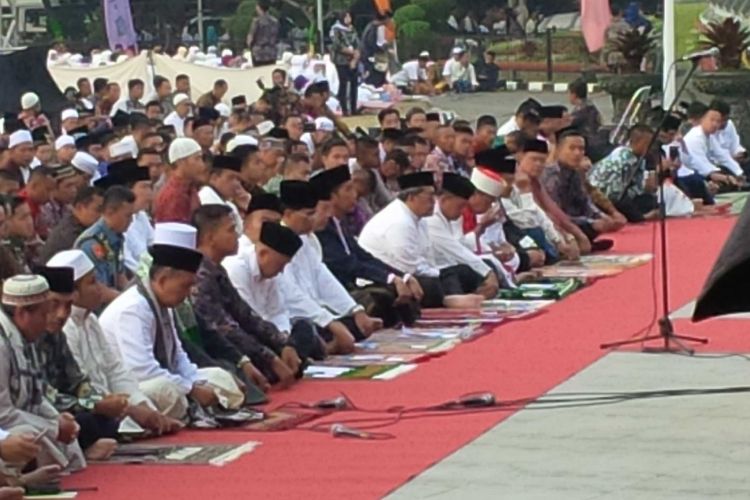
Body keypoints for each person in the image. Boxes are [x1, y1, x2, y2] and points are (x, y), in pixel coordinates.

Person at [99, 223, 244, 420]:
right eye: (184, 286)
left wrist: (197, 383)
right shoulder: (132, 309)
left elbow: (178, 357)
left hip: (166, 379)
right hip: (134, 387)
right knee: (165, 390)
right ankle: (195, 409)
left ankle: (197, 408)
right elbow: (142, 371)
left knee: (219, 376)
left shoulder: (162, 304)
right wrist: (191, 389)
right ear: (163, 279)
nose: (187, 294)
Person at [48, 250, 182, 435]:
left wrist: (140, 406)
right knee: (87, 422)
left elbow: (113, 370)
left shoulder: (91, 321)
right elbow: (71, 391)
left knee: (162, 393)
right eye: (93, 282)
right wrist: (121, 408)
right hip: (88, 407)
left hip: (109, 401)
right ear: (75, 293)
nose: (100, 288)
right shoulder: (65, 327)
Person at [191, 205, 309, 389]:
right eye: (231, 230)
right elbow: (225, 328)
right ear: (210, 238)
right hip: (213, 350)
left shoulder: (216, 269)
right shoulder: (200, 274)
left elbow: (246, 315)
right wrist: (269, 357)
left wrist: (284, 343)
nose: (238, 235)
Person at [278, 179, 382, 353]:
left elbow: (323, 278)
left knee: (355, 323)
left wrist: (356, 310)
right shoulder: (278, 244)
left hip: (318, 313)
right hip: (293, 318)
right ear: (288, 214)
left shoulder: (306, 239)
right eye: (308, 214)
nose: (313, 219)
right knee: (307, 333)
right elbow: (292, 296)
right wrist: (329, 322)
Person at [359, 172, 485, 309]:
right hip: (385, 279)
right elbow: (409, 266)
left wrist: (442, 272)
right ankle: (452, 303)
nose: (434, 202)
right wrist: (439, 274)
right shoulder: (399, 221)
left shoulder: (420, 219)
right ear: (411, 197)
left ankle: (459, 300)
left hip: (410, 273)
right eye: (429, 196)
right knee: (432, 283)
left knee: (462, 271)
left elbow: (427, 259)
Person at [317, 166, 421, 326]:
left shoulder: (339, 224)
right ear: (332, 197)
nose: (355, 194)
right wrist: (390, 279)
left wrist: (402, 276)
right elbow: (349, 264)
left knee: (405, 291)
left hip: (350, 289)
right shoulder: (322, 229)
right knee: (383, 298)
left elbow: (364, 256)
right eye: (348, 189)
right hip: (335, 294)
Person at [0, 275, 85, 470]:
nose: (51, 318)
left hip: (22, 418)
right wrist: (55, 428)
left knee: (68, 430)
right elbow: (3, 416)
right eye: (44, 313)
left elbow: (37, 394)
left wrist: (58, 420)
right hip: (6, 429)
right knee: (26, 435)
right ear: (22, 314)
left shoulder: (24, 337)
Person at [35, 266, 119, 461]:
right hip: (40, 412)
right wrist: (94, 405)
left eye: (68, 306)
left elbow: (77, 381)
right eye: (54, 304)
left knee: (106, 421)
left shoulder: (57, 337)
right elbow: (42, 394)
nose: (61, 314)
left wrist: (99, 402)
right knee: (83, 421)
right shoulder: (24, 338)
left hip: (66, 410)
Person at [543, 128, 624, 245]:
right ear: (559, 150)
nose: (577, 153)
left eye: (581, 149)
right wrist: (591, 222)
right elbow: (556, 214)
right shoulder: (551, 177)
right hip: (557, 223)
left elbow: (586, 201)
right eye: (572, 148)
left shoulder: (576, 173)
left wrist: (603, 216)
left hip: (576, 219)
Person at [426, 172, 500, 299]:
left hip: (450, 264)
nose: (462, 211)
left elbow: (461, 244)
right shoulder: (431, 218)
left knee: (484, 265)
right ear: (445, 200)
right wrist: (487, 272)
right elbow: (455, 250)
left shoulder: (454, 216)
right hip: (430, 270)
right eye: (460, 206)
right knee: (451, 277)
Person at [589, 124, 662, 220]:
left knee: (650, 201)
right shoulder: (625, 158)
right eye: (647, 144)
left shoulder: (638, 158)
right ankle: (642, 217)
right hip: (605, 195)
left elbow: (640, 187)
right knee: (626, 203)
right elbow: (617, 193)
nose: (650, 147)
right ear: (635, 142)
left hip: (623, 193)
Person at [74, 185, 134, 302]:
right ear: (110, 212)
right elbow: (100, 290)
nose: (131, 221)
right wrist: (128, 301)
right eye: (127, 216)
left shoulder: (116, 237)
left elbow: (120, 277)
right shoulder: (92, 243)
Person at [39, 187, 103, 265]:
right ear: (79, 207)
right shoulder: (68, 234)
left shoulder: (85, 227)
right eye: (98, 210)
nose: (102, 216)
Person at [154, 138, 207, 223]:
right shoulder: (173, 196)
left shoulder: (190, 188)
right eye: (197, 159)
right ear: (181, 162)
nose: (202, 165)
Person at [198, 155, 244, 235]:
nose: (236, 184)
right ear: (214, 178)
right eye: (231, 178)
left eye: (238, 179)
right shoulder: (205, 199)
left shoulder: (230, 205)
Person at [36, 166, 79, 240]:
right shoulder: (44, 209)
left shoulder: (68, 207)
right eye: (68, 186)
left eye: (75, 185)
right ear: (54, 188)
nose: (74, 190)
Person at [330, 11, 360, 116]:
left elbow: (357, 43)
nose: (348, 18)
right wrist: (349, 52)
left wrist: (355, 57)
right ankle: (345, 109)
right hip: (341, 61)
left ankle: (353, 108)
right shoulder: (336, 29)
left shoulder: (352, 29)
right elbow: (336, 45)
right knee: (343, 84)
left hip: (353, 60)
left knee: (354, 85)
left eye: (349, 16)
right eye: (346, 17)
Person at [247, 1, 280, 66]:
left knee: (259, 72)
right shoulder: (275, 21)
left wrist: (250, 46)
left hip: (258, 52)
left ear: (259, 8)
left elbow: (251, 36)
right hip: (271, 51)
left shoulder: (257, 21)